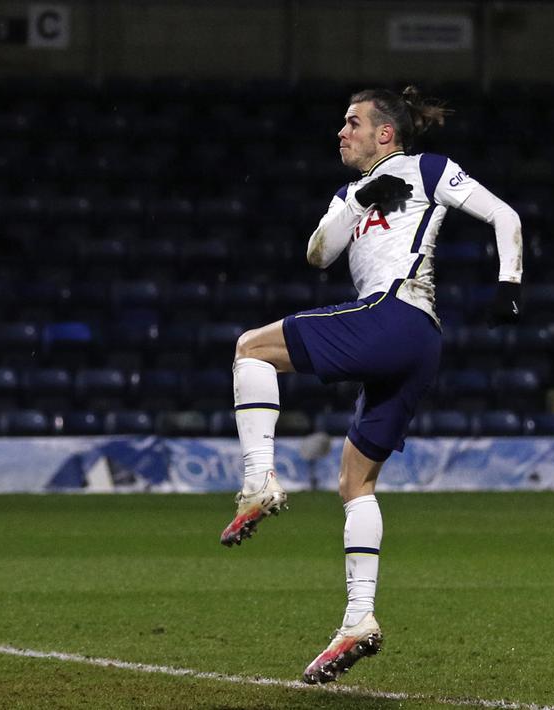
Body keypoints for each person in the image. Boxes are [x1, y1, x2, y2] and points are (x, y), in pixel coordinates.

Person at [218, 87, 523, 684]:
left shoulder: (427, 168)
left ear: (385, 133)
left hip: (395, 315)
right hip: (418, 345)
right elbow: (318, 254)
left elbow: (504, 215)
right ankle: (358, 619)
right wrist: (359, 197)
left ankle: (258, 481)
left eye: (353, 122)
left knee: (250, 348)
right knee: (355, 482)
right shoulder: (348, 194)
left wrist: (508, 284)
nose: (342, 132)